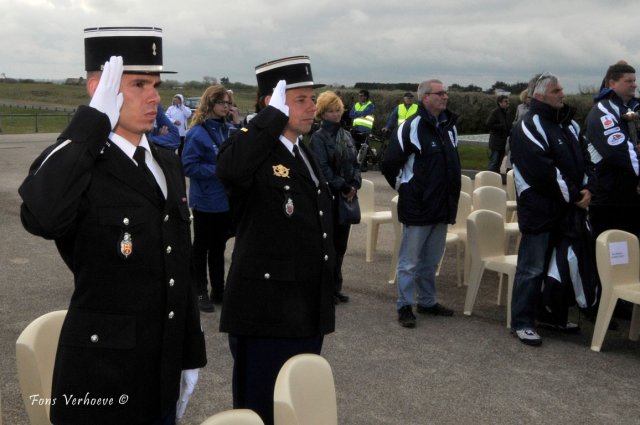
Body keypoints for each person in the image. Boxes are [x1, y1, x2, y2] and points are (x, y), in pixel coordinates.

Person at [18, 27, 206, 424]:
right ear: (97, 88)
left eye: (156, 83)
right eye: (138, 84)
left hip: (161, 372)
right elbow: (42, 216)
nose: (154, 95)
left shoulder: (165, 163)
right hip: (101, 380)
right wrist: (90, 125)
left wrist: (190, 352)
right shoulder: (81, 164)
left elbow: (180, 270)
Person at [216, 56, 335, 425]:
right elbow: (230, 170)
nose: (311, 107)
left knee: (294, 406)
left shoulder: (303, 150)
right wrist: (269, 120)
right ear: (273, 103)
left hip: (304, 309)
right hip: (267, 313)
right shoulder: (253, 151)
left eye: (311, 99)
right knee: (262, 408)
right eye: (300, 100)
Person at [510, 72, 593, 346]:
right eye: (557, 90)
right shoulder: (528, 124)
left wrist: (588, 187)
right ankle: (522, 321)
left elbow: (586, 156)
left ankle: (551, 315)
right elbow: (541, 170)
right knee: (532, 268)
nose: (562, 94)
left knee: (558, 267)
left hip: (567, 210)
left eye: (561, 89)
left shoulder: (568, 124)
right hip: (539, 209)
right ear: (539, 95)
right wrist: (574, 195)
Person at [380, 79, 461, 328]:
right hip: (418, 206)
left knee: (431, 260)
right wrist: (407, 188)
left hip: (441, 206)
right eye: (440, 93)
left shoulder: (450, 127)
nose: (445, 97)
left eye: (446, 93)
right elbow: (389, 163)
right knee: (410, 261)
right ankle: (405, 305)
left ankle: (427, 301)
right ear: (425, 97)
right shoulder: (411, 127)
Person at [182, 85, 240, 313]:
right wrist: (219, 170)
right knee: (201, 248)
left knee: (218, 248)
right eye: (222, 103)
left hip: (224, 201)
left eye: (229, 103)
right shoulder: (197, 133)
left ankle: (219, 290)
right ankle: (199, 291)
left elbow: (240, 152)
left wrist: (236, 125)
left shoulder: (227, 130)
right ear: (210, 104)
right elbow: (188, 165)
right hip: (206, 200)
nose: (226, 107)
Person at [309, 90, 361, 305]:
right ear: (322, 113)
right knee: (327, 247)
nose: (336, 114)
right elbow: (321, 168)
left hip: (346, 197)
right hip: (330, 197)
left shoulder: (346, 135)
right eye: (331, 111)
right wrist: (343, 186)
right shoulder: (318, 138)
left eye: (338, 110)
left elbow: (356, 162)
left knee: (340, 245)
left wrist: (355, 184)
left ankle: (336, 286)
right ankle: (324, 289)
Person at [584, 62, 640, 238]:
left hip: (628, 195)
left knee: (631, 253)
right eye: (628, 81)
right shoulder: (602, 111)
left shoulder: (628, 108)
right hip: (608, 197)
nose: (634, 84)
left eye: (634, 80)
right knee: (613, 255)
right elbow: (619, 152)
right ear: (612, 83)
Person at [486, 94, 513, 173]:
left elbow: (509, 125)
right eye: (505, 101)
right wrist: (501, 126)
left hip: (503, 142)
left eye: (508, 101)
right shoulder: (495, 112)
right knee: (494, 162)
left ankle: (496, 178)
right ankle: (490, 178)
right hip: (496, 142)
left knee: (499, 162)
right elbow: (489, 124)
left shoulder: (507, 113)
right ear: (500, 103)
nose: (507, 103)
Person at [349, 89, 375, 170]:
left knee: (364, 148)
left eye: (361, 95)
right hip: (356, 128)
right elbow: (351, 114)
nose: (359, 97)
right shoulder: (356, 104)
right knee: (355, 147)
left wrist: (357, 113)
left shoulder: (370, 105)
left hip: (365, 129)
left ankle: (364, 165)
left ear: (366, 97)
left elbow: (364, 113)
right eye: (359, 95)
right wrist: (359, 114)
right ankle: (356, 164)